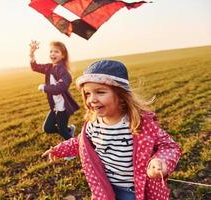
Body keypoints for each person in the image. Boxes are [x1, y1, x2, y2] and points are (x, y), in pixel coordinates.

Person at [42, 60, 182, 200]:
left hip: (135, 191)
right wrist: (59, 150)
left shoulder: (140, 123)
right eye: (87, 94)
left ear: (121, 95)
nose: (92, 99)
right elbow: (81, 143)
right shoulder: (93, 124)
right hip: (105, 189)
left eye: (100, 92)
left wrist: (161, 161)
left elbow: (169, 146)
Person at [29, 40, 80, 140]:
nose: (52, 54)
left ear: (63, 55)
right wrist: (32, 53)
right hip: (55, 106)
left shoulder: (64, 72)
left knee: (62, 130)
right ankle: (69, 130)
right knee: (48, 128)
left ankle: (74, 148)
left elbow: (60, 88)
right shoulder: (49, 67)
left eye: (56, 51)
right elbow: (35, 67)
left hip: (63, 107)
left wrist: (44, 88)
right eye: (51, 51)